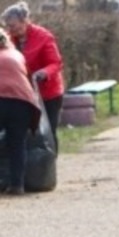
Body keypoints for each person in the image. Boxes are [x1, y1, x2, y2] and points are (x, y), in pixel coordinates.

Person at [2, 1, 63, 152]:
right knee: (25, 130)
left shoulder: (44, 37)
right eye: (8, 26)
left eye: (13, 26)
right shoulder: (8, 40)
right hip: (24, 93)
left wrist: (44, 73)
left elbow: (55, 63)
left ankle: (50, 160)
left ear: (25, 21)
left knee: (49, 129)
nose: (10, 29)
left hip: (48, 93)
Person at [0, 27, 41, 195]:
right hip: (22, 102)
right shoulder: (17, 55)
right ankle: (17, 185)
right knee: (17, 145)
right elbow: (27, 78)